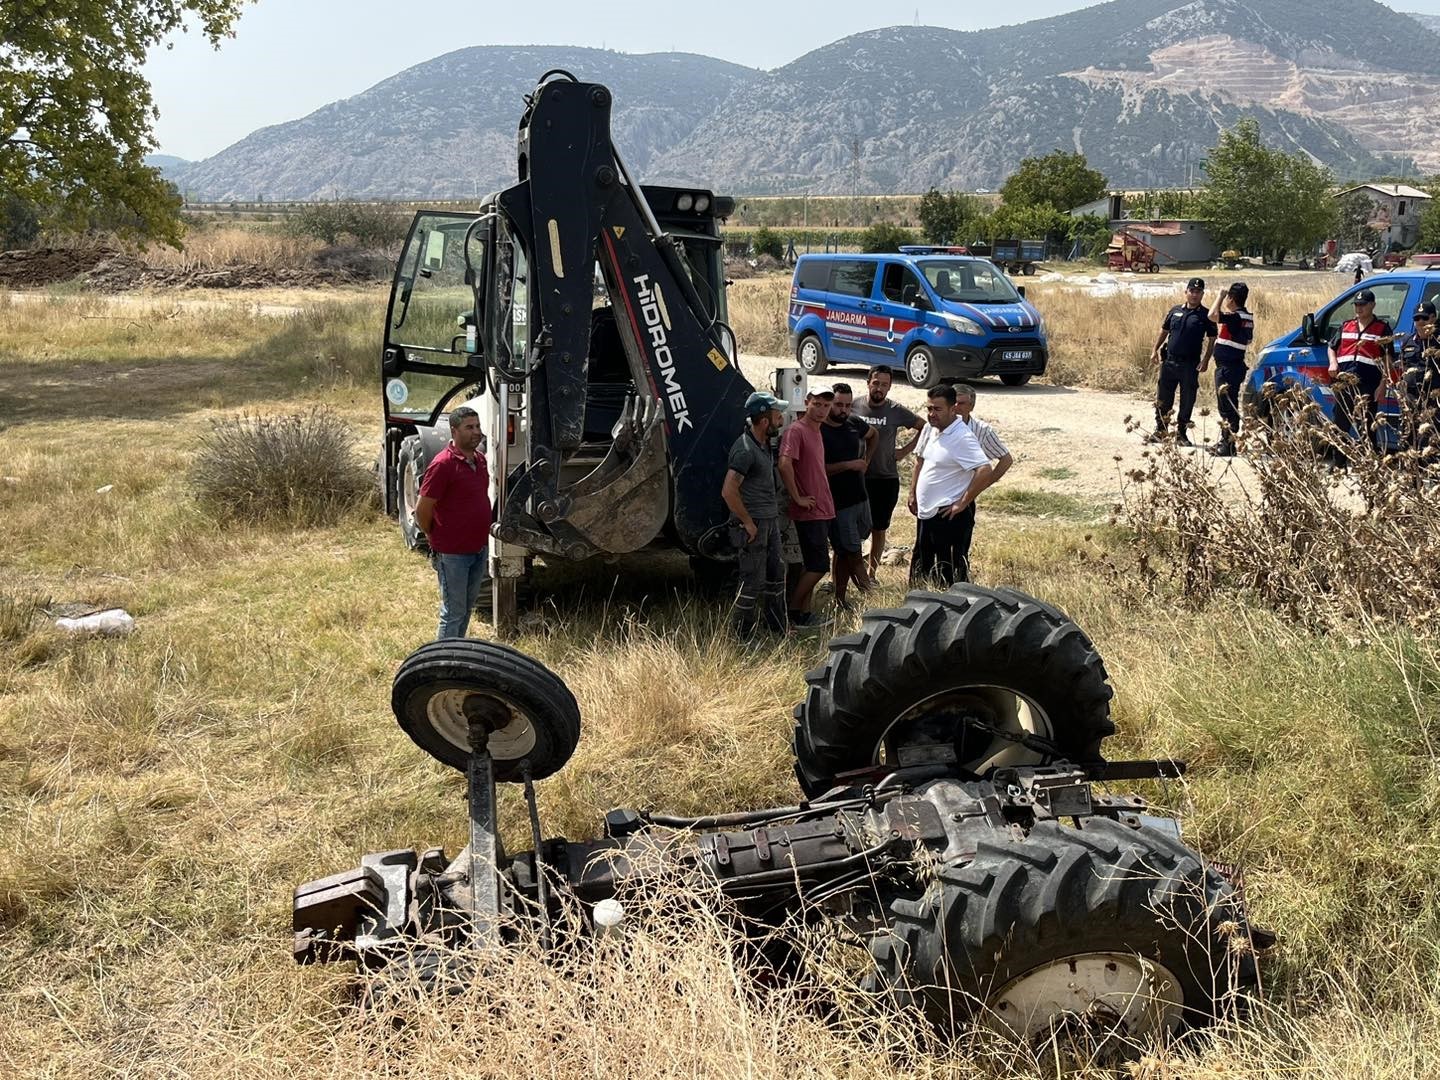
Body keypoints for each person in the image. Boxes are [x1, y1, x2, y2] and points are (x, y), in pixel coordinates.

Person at [907, 385, 995, 588]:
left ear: (952, 409)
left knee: (948, 577)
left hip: (948, 516)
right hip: (927, 513)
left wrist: (962, 503)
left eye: (937, 409)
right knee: (923, 570)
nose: (931, 414)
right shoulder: (933, 430)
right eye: (929, 409)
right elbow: (921, 462)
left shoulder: (961, 437)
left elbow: (985, 470)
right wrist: (913, 493)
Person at [415, 406, 492, 639]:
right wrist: (434, 536)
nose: (476, 432)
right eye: (469, 427)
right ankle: (444, 662)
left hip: (478, 548)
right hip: (453, 553)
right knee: (453, 611)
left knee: (467, 608)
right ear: (454, 430)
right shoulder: (443, 464)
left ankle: (457, 654)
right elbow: (422, 509)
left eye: (477, 426)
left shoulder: (479, 460)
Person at [721, 391, 788, 640]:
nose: (781, 420)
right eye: (777, 416)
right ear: (763, 421)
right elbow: (728, 491)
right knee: (751, 581)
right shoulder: (745, 450)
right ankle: (741, 637)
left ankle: (776, 628)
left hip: (768, 520)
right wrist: (747, 522)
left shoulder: (763, 444)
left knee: (776, 574)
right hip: (754, 524)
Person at [854, 367, 924, 576]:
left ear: (890, 387)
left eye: (884, 384)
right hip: (857, 477)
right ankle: (850, 572)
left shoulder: (895, 410)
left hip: (885, 478)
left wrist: (905, 450)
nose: (879, 388)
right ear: (868, 383)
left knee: (879, 528)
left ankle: (871, 574)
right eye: (876, 383)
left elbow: (924, 426)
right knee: (854, 529)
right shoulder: (854, 406)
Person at [779, 386, 836, 626]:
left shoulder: (817, 431)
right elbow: (784, 464)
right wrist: (798, 497)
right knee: (819, 565)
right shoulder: (797, 430)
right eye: (817, 404)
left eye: (826, 405)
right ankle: (792, 612)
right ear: (806, 402)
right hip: (809, 510)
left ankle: (804, 613)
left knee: (810, 564)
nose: (822, 410)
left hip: (823, 506)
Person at [820, 382, 878, 607]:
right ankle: (870, 597)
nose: (843, 410)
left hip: (860, 497)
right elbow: (818, 469)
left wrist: (867, 461)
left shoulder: (854, 422)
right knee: (852, 550)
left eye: (847, 405)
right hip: (838, 501)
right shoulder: (819, 431)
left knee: (846, 551)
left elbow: (874, 435)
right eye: (838, 405)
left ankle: (840, 598)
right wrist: (849, 465)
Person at [1149, 277, 1217, 447]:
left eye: (1198, 292)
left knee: (1187, 399)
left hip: (1190, 364)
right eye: (1191, 291)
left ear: (1202, 294)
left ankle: (1181, 434)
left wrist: (1206, 359)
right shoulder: (1175, 310)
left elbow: (1212, 339)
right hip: (1169, 361)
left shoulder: (1206, 315)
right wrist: (1154, 350)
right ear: (1186, 292)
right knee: (1163, 397)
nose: (1194, 295)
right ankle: (1161, 430)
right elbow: (1164, 331)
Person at [1328, 288, 1395, 447]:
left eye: (1363, 304)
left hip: (1368, 386)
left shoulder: (1382, 329)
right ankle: (1339, 465)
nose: (1359, 308)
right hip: (1344, 384)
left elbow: (1388, 360)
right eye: (1356, 304)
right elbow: (1332, 347)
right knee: (1340, 427)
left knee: (1367, 428)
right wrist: (1333, 362)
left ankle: (1370, 465)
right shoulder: (1346, 326)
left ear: (1372, 305)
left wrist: (1382, 385)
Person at [1205, 281, 1255, 457]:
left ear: (1231, 299)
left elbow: (1212, 315)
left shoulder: (1236, 317)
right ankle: (1226, 440)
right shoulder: (1248, 318)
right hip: (1234, 366)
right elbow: (1247, 340)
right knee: (1229, 404)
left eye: (1228, 297)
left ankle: (1228, 445)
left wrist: (1219, 295)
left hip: (1228, 368)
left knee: (1226, 407)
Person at [954, 384, 1012, 487]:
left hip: (963, 492)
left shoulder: (982, 430)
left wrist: (982, 485)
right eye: (953, 403)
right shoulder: (937, 427)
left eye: (961, 403)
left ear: (971, 406)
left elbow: (1006, 459)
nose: (956, 407)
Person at [1399, 301, 1440, 449]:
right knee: (1409, 439)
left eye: (1425, 318)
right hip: (1411, 399)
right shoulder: (1408, 341)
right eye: (1417, 319)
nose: (1420, 322)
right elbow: (1403, 367)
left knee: (1428, 441)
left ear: (1433, 318)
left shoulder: (1438, 341)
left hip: (1433, 400)